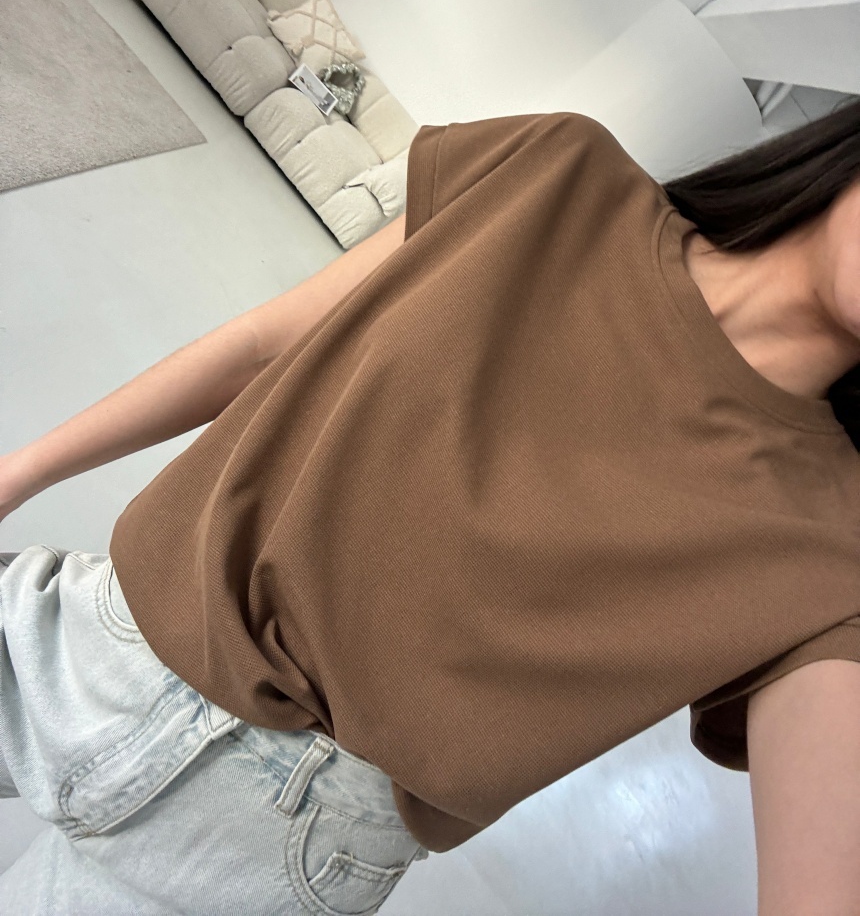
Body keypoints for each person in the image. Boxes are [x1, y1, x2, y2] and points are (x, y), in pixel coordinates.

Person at [1, 101, 859, 915]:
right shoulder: (557, 170)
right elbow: (265, 343)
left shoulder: (832, 556)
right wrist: (20, 472)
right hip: (98, 636)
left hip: (265, 833)